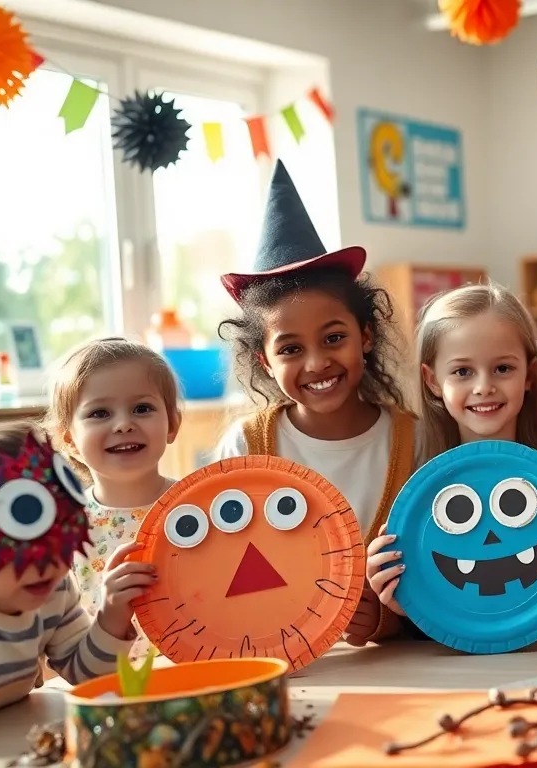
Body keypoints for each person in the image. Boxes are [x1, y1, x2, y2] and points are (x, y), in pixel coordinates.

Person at [215, 161, 414, 645]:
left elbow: (438, 568)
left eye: (334, 338)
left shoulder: (414, 438)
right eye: (290, 349)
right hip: (281, 667)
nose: (317, 362)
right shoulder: (244, 446)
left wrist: (388, 620)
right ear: (264, 360)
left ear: (365, 336)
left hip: (398, 670)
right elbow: (222, 572)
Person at [365, 284, 537, 637]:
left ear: (528, 375)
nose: (484, 386)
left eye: (502, 368)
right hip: (457, 668)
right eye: (462, 372)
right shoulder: (415, 478)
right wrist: (402, 604)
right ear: (432, 380)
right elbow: (435, 598)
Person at [0, 421, 150, 738]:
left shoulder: (53, 587)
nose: (48, 558)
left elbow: (88, 674)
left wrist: (112, 615)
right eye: (14, 542)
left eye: (58, 531)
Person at [45, 337, 180, 658]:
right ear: (69, 441)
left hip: (196, 675)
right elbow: (60, 649)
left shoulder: (200, 507)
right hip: (106, 688)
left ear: (172, 424)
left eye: (142, 408)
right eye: (100, 413)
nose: (123, 424)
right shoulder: (60, 532)